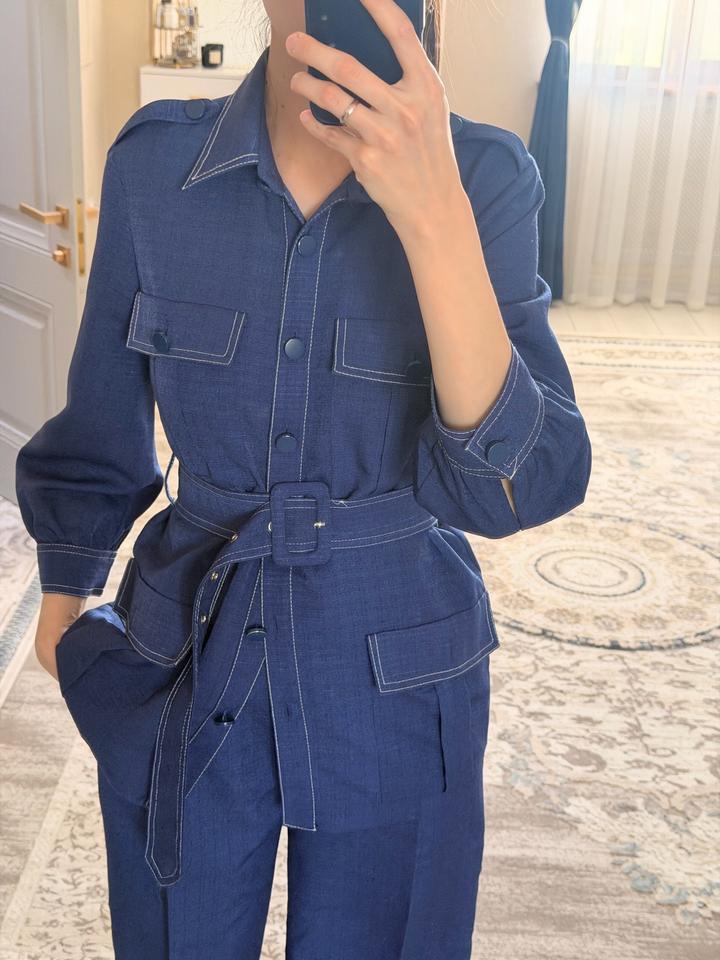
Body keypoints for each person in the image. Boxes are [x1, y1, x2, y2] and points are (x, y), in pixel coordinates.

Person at [14, 0, 592, 956]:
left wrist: (433, 215)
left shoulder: (486, 179)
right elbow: (102, 413)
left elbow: (520, 487)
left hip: (400, 665)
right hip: (183, 650)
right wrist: (65, 600)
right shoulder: (156, 165)